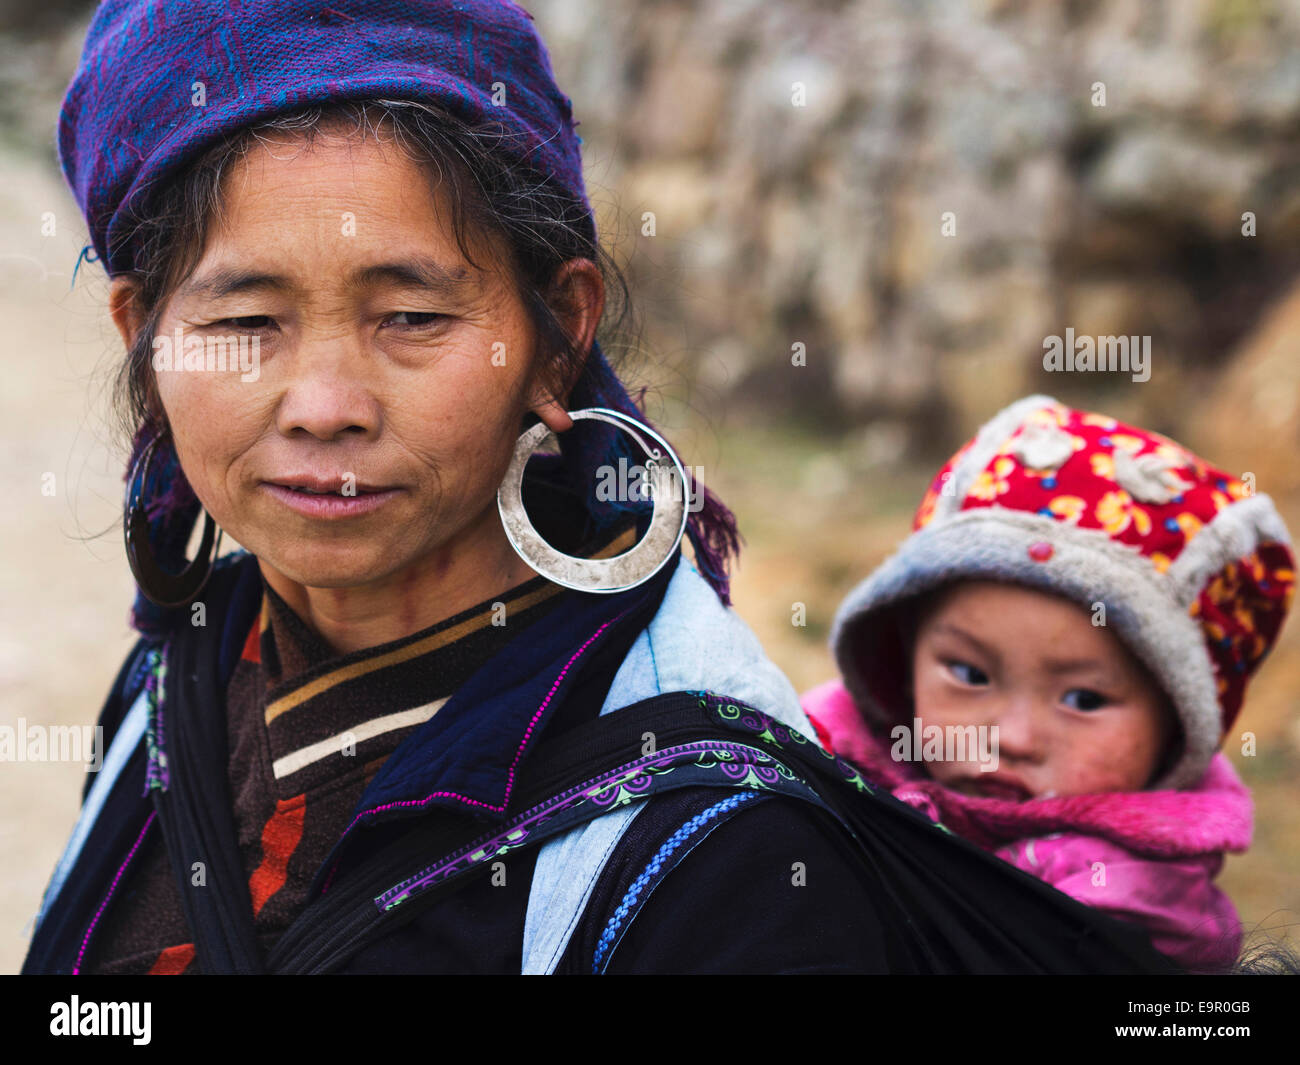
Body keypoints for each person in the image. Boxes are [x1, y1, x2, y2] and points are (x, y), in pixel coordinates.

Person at [22, 0, 902, 975]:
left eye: (409, 315)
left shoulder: (713, 836)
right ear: (142, 337)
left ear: (557, 335)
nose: (324, 407)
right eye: (244, 323)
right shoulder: (184, 670)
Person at [803, 394, 1295, 973]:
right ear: (901, 659)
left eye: (1083, 699)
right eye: (969, 674)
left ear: (1175, 731)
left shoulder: (1127, 913)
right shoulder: (811, 765)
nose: (1012, 737)